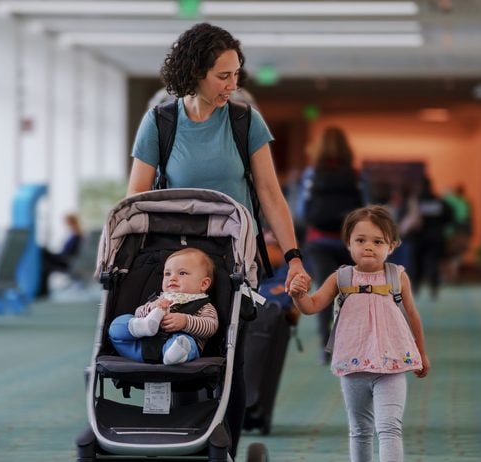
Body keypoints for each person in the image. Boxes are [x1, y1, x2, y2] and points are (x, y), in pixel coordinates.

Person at [126, 23, 310, 457]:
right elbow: (137, 195)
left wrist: (294, 257)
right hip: (178, 261)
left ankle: (224, 447)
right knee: (176, 352)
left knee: (229, 356)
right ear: (194, 73)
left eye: (237, 73)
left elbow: (269, 193)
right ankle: (182, 440)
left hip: (234, 259)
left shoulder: (246, 120)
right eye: (223, 75)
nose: (234, 84)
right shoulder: (160, 122)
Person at [289, 205, 430, 462]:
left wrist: (422, 353)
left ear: (392, 246)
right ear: (348, 243)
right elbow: (311, 306)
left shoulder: (397, 277)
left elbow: (412, 316)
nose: (368, 247)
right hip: (354, 367)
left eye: (378, 241)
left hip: (392, 366)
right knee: (360, 431)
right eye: (360, 240)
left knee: (389, 428)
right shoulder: (341, 278)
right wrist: (299, 296)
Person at [302, 126, 363, 364]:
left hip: (319, 241)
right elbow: (367, 208)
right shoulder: (356, 175)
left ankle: (325, 347)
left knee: (325, 293)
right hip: (349, 242)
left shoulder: (311, 175)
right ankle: (350, 345)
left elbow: (301, 210)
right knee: (351, 294)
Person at [108, 248, 218, 365]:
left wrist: (185, 322)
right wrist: (151, 308)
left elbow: (211, 327)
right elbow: (138, 313)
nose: (172, 278)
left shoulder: (204, 305)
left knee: (185, 342)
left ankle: (174, 354)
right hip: (140, 348)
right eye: (167, 273)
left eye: (182, 273)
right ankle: (144, 326)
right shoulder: (159, 299)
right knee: (118, 324)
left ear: (203, 284)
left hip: (175, 348)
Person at [37, 213, 83, 296]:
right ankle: (43, 290)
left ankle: (43, 291)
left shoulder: (76, 236)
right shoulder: (76, 234)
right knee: (43, 256)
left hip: (66, 261)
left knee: (44, 258)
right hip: (65, 258)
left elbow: (70, 252)